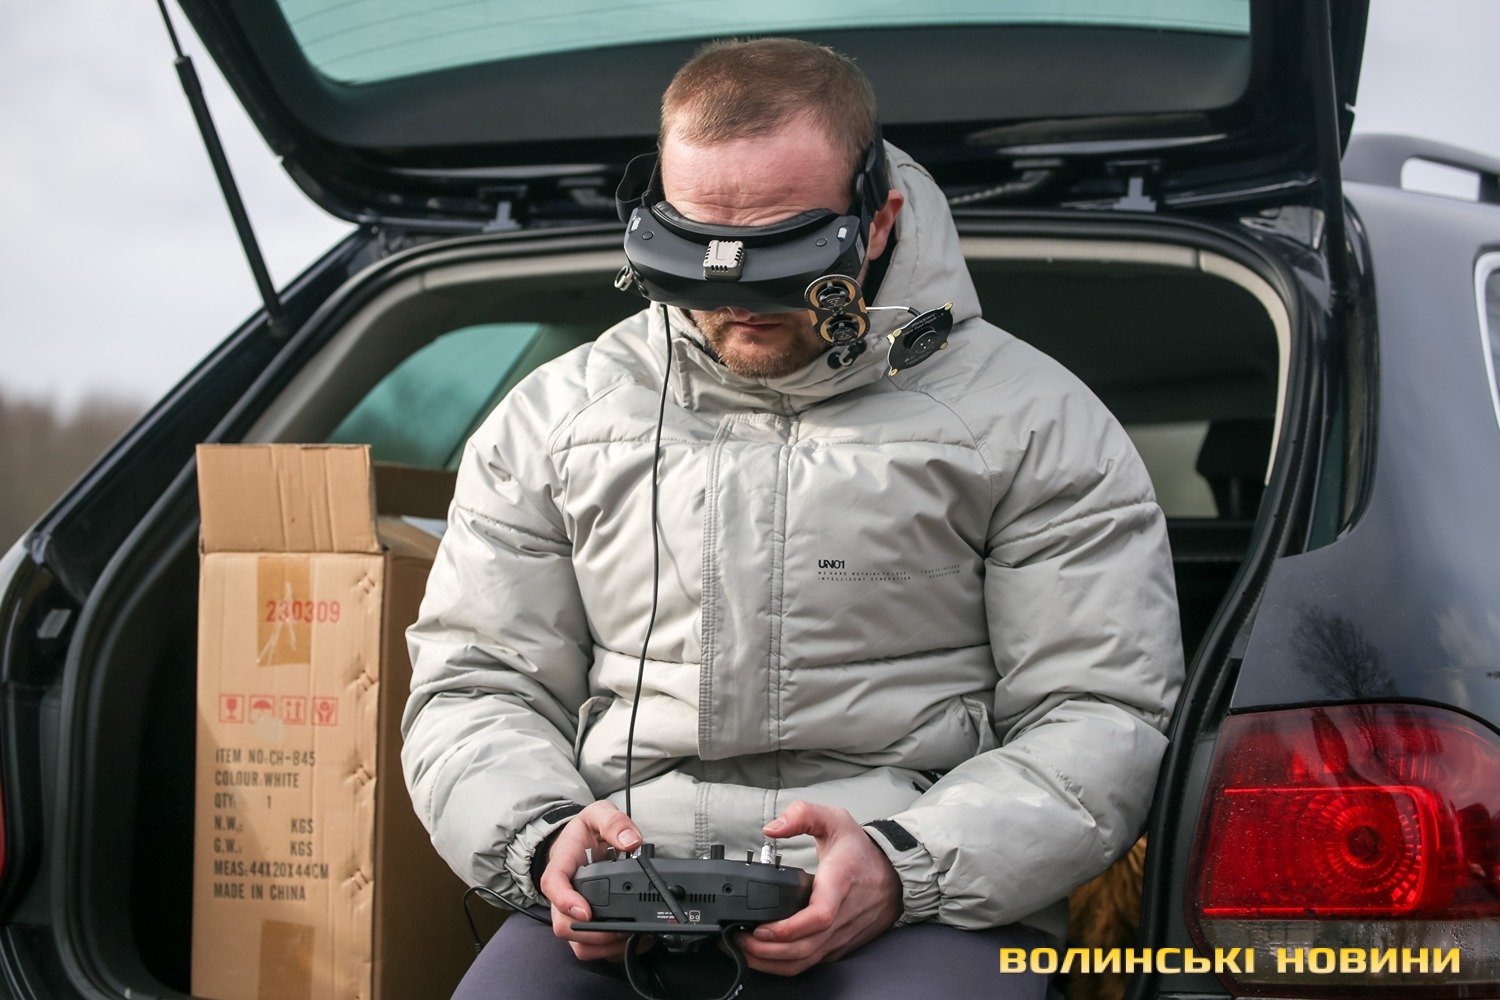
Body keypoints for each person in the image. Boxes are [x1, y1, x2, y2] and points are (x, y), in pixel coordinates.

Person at [402, 37, 1183, 999]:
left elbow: (1099, 711)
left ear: (879, 219)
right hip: (623, 884)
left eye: (786, 256)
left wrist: (905, 867)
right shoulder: (553, 422)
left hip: (926, 892)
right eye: (700, 255)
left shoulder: (1035, 424)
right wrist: (542, 838)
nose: (740, 300)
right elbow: (476, 683)